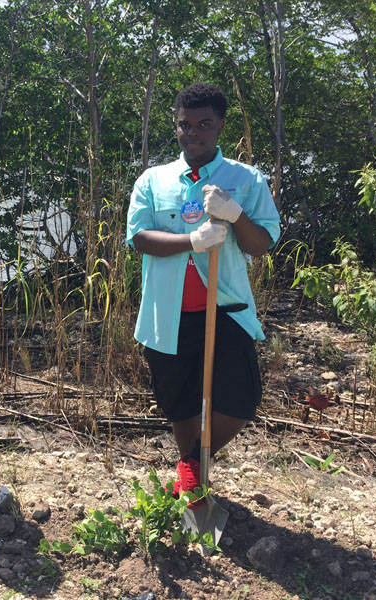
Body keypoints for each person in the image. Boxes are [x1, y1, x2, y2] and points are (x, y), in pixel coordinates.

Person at [126, 83, 280, 506]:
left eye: (204, 124)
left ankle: (191, 466)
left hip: (225, 308)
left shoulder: (245, 179)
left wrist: (235, 214)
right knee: (179, 403)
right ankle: (193, 486)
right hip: (167, 311)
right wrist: (194, 239)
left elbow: (261, 243)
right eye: (185, 125)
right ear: (176, 126)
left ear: (220, 126)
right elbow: (139, 238)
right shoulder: (153, 180)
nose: (193, 132)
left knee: (241, 400)